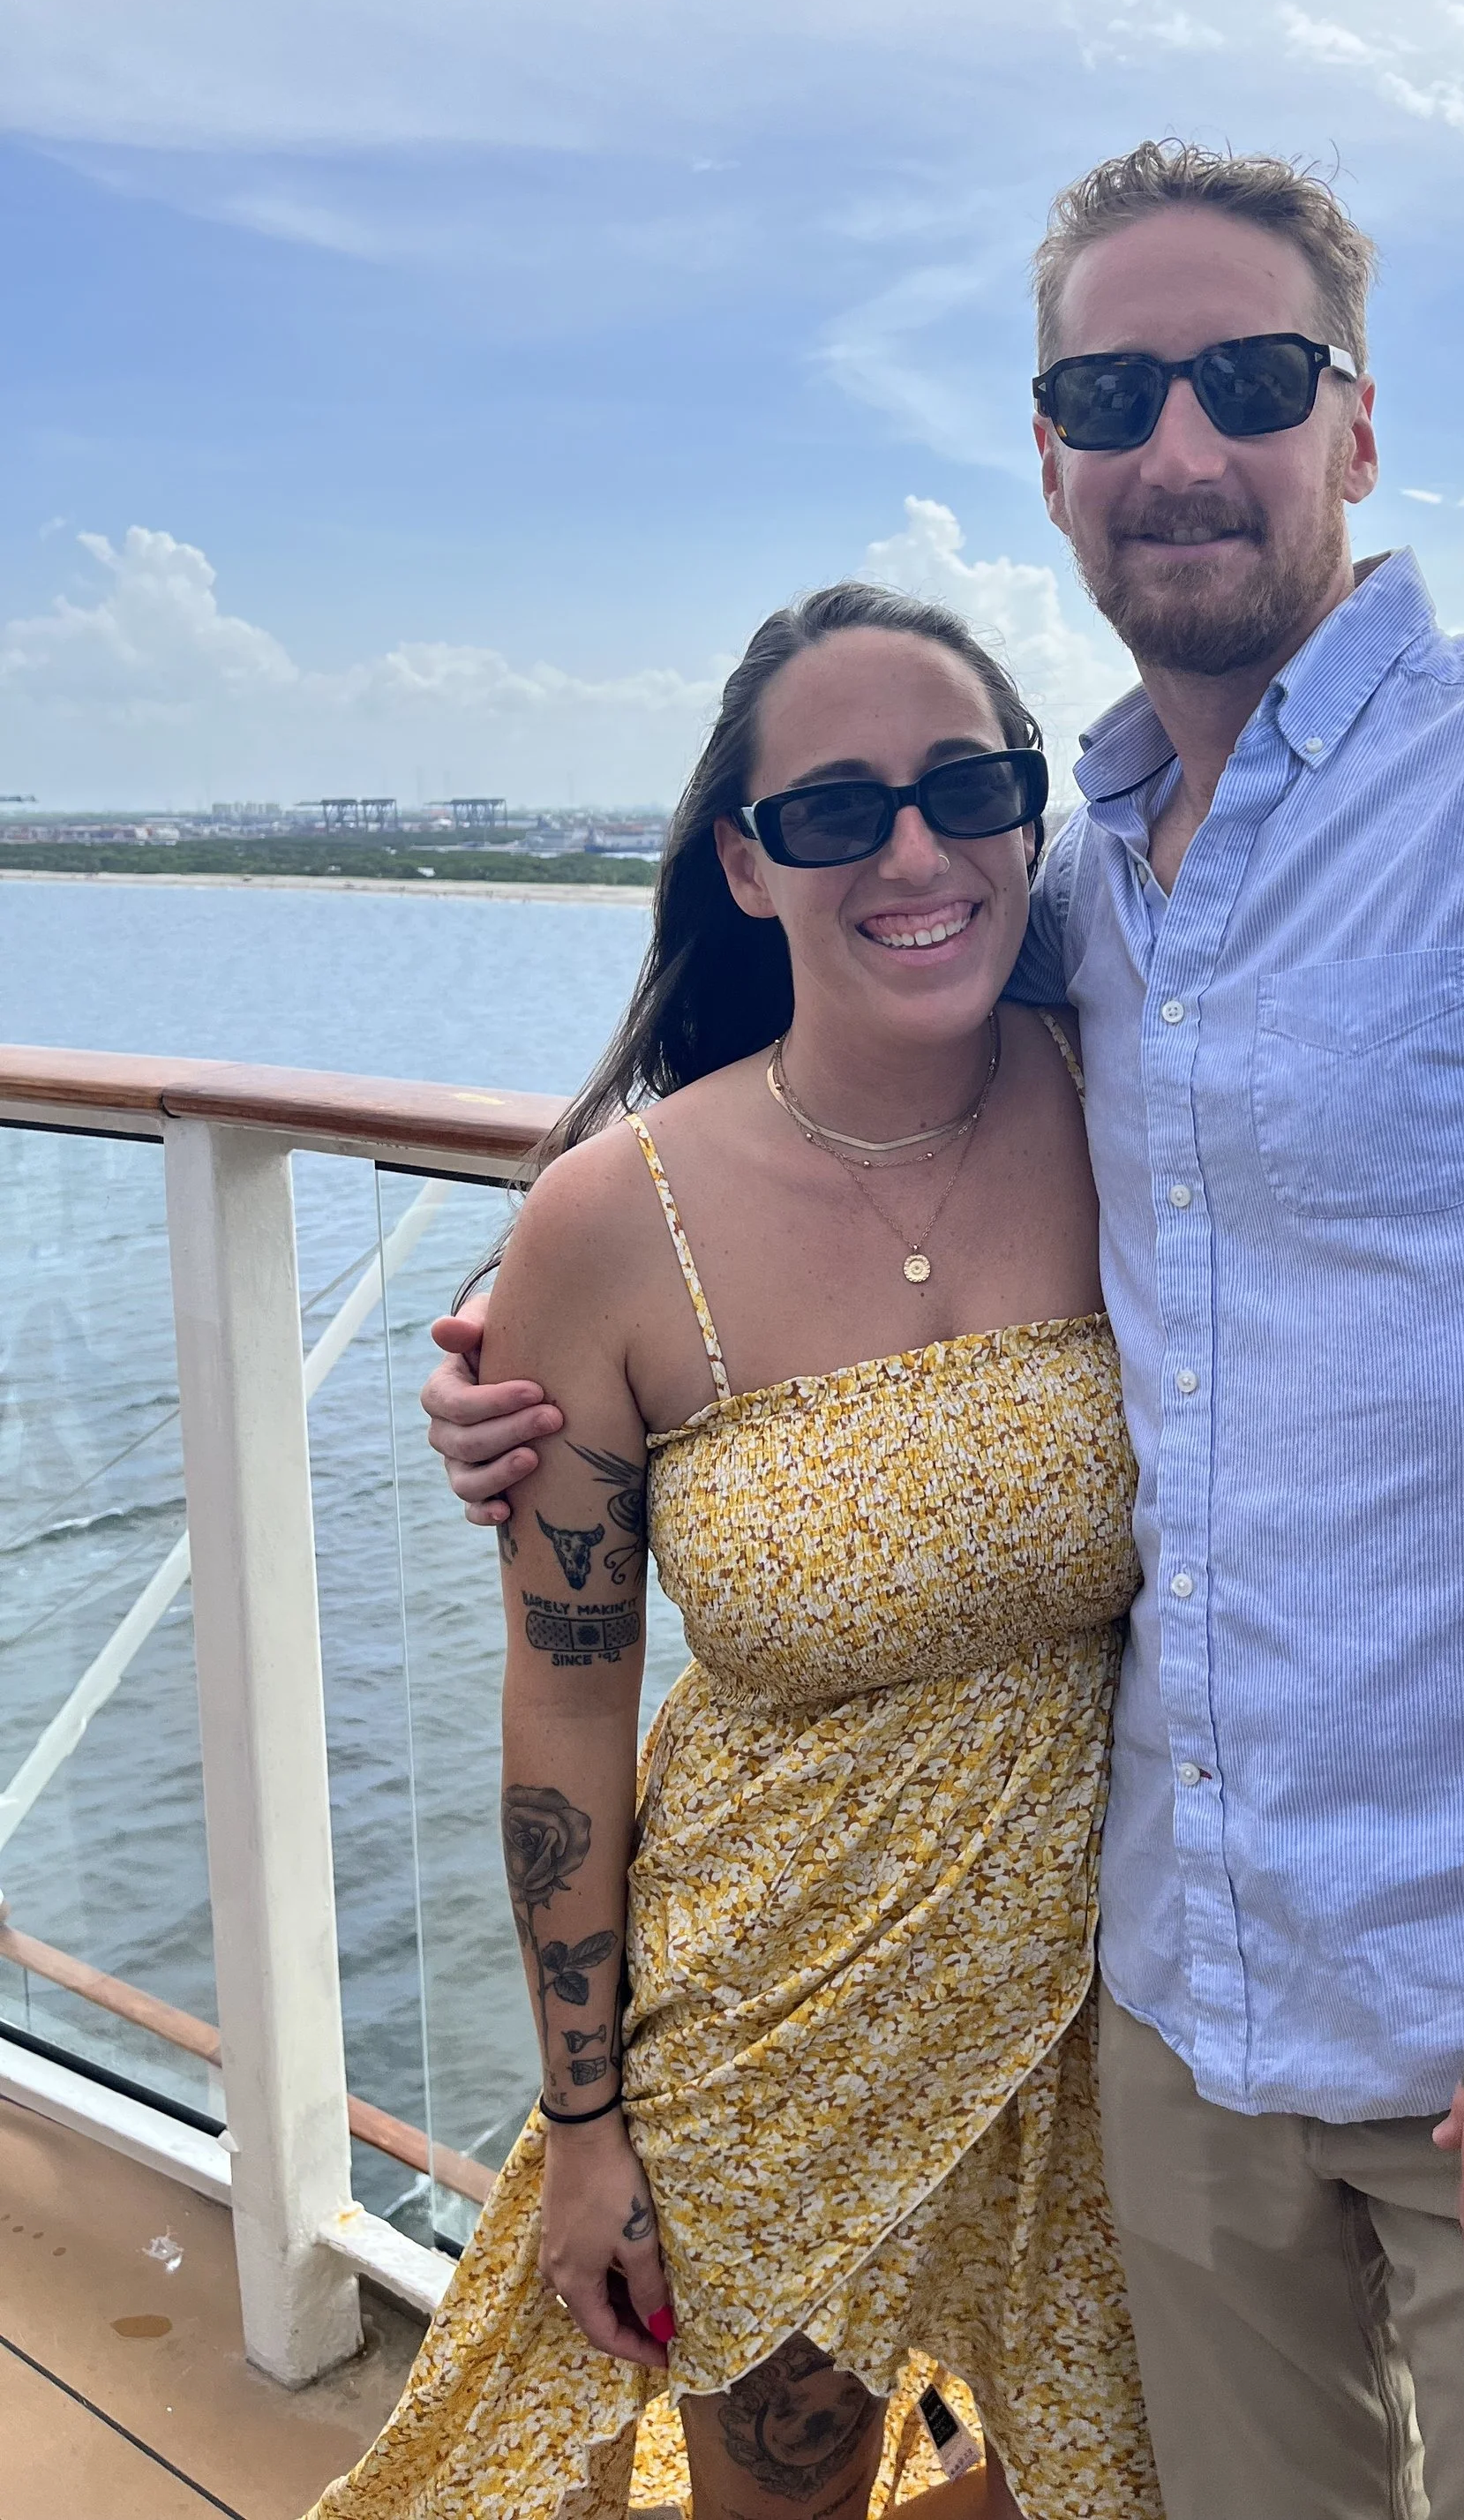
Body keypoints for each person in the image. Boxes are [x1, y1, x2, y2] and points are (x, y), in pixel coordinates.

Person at [430, 142, 1464, 2520]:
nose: (1180, 445)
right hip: (1181, 2011)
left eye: (1248, 375)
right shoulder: (1082, 872)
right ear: (1048, 454)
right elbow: (811, 1103)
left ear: (1356, 420)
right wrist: (524, 1348)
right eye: (1114, 389)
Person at [319, 583, 1161, 2520]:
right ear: (743, 857)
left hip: (1116, 2010)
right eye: (833, 810)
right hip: (777, 2012)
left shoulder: (1134, 1093)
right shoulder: (617, 1223)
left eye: (967, 786)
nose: (915, 850)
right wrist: (587, 2119)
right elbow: (562, 1700)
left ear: (1033, 818)